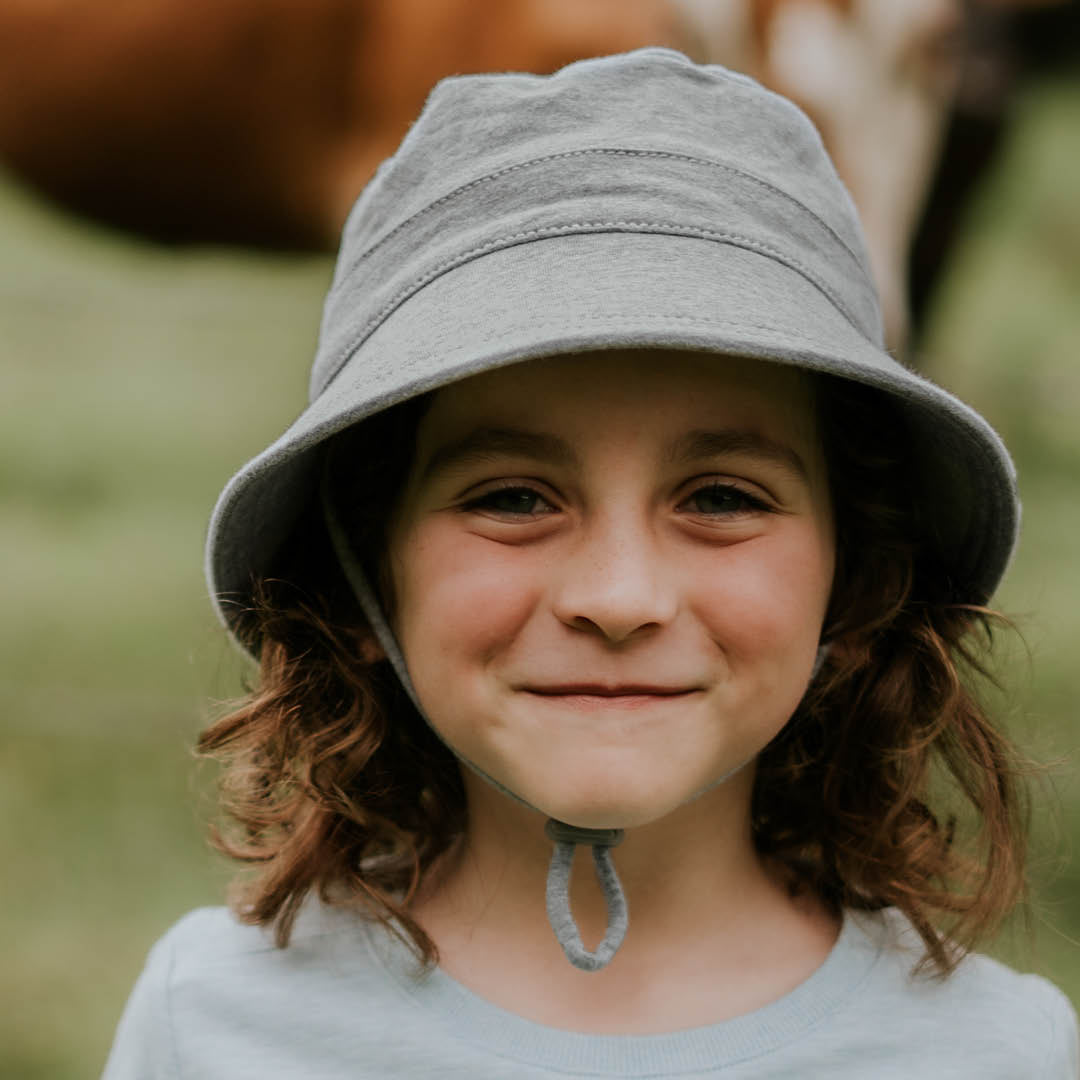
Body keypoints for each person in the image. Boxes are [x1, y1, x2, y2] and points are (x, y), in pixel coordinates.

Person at [102, 48, 1078, 1077]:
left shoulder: (996, 1053)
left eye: (721, 499)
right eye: (514, 498)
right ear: (358, 566)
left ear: (859, 566)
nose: (620, 598)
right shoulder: (214, 1024)